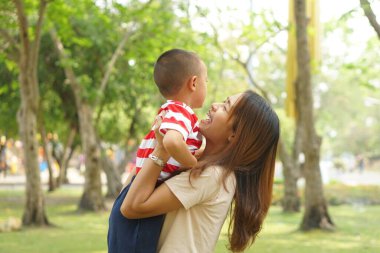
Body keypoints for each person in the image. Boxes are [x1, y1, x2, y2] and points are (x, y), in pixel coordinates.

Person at [116, 90, 280, 253]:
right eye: (223, 101)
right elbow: (128, 194)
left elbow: (131, 207)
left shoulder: (213, 175)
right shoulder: (196, 163)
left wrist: (161, 150)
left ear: (235, 135)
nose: (215, 105)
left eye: (225, 107)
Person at [108, 49, 208, 253]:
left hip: (137, 190)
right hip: (142, 197)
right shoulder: (181, 112)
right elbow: (171, 141)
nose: (207, 86)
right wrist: (193, 163)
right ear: (194, 82)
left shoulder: (171, 110)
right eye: (206, 81)